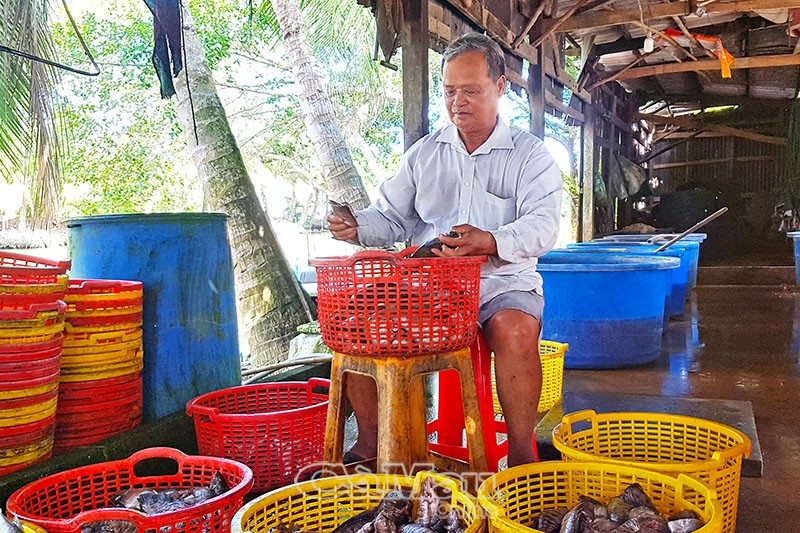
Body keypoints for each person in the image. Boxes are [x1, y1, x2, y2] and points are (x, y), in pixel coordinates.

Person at [327, 32, 562, 467]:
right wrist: (357, 225)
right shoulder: (424, 154)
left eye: (470, 90)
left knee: (515, 331)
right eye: (450, 91)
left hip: (501, 284)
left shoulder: (531, 156)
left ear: (500, 86)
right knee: (354, 321)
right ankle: (373, 442)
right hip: (429, 288)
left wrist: (490, 241)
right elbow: (391, 218)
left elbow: (544, 226)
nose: (458, 102)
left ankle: (521, 450)